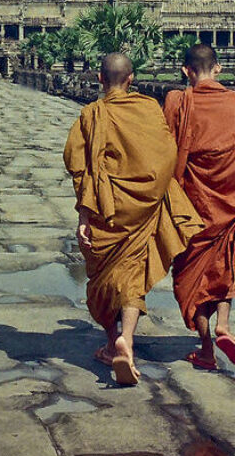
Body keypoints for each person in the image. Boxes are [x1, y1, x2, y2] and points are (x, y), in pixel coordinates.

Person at [64, 52, 202, 385]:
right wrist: (153, 194)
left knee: (101, 280)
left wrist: (84, 214)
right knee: (132, 274)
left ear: (99, 79)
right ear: (131, 79)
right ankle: (126, 338)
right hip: (141, 209)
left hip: (105, 210)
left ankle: (114, 341)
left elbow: (80, 168)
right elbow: (167, 155)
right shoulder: (148, 108)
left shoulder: (90, 115)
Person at [164, 43, 235, 370]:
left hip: (193, 209)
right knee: (225, 268)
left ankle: (207, 350)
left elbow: (165, 151)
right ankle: (224, 324)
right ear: (218, 68)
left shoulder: (179, 102)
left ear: (185, 71)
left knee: (192, 279)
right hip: (230, 203)